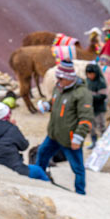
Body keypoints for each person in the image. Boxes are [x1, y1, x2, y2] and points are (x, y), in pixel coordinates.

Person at [34, 61, 93, 194]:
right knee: (42, 153)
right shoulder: (59, 87)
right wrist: (46, 106)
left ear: (70, 78)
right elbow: (54, 102)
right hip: (54, 134)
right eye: (57, 77)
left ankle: (80, 193)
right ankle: (38, 180)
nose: (58, 80)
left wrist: (78, 138)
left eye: (61, 78)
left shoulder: (82, 94)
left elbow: (86, 118)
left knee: (77, 168)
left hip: (70, 138)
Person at [0, 102, 49, 180]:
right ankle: (52, 189)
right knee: (39, 171)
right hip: (13, 167)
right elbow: (24, 146)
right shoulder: (11, 129)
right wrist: (13, 126)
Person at [85, 63, 108, 149]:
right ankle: (94, 142)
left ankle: (104, 144)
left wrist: (91, 96)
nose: (90, 75)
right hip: (90, 108)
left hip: (99, 108)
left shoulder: (101, 82)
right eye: (88, 74)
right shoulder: (87, 81)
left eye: (91, 73)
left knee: (101, 125)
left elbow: (103, 96)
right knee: (91, 127)